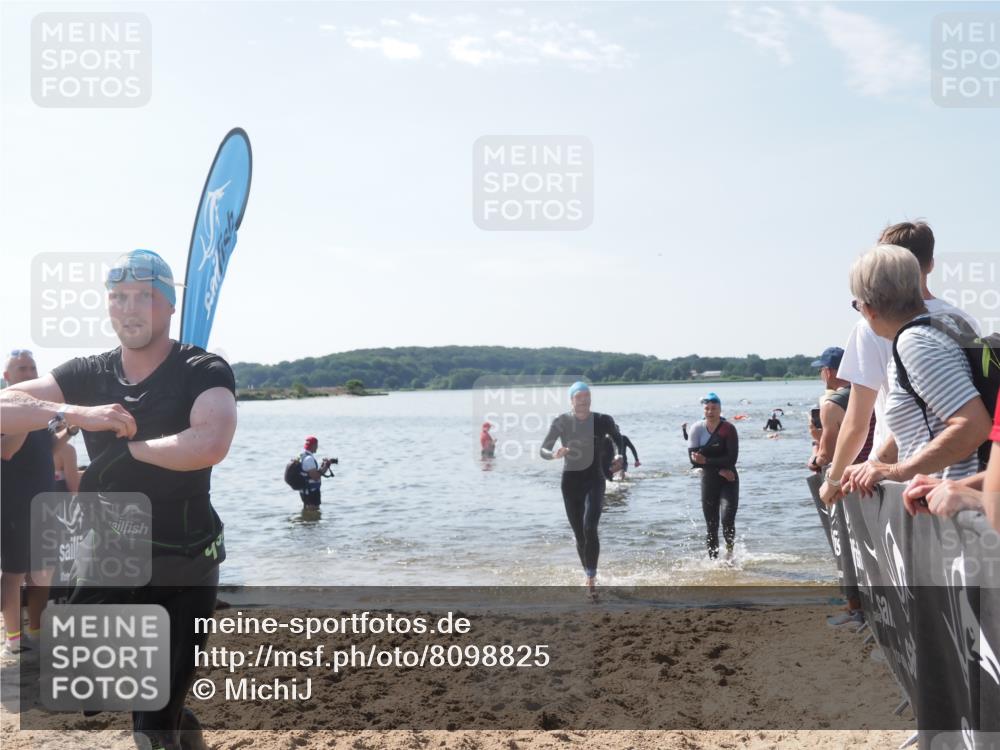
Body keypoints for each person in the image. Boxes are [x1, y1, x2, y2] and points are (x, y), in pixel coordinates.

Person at [0, 249, 238, 750]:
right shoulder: (90, 373)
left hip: (185, 561)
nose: (130, 308)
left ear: (169, 305)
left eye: (144, 296)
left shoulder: (202, 368)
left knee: (151, 725)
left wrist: (129, 452)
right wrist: (74, 412)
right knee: (126, 696)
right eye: (119, 297)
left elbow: (210, 442)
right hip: (113, 563)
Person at [821, 221, 980, 505]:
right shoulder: (950, 322)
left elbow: (973, 424)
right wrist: (875, 465)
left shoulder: (914, 343)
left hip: (946, 502)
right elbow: (922, 419)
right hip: (940, 495)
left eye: (857, 304)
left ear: (869, 308)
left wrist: (894, 471)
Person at [540, 382, 623, 596]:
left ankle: (591, 579)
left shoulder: (603, 420)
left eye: (587, 396)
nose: (584, 400)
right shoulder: (561, 422)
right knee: (579, 534)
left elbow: (619, 439)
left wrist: (619, 456)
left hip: (595, 480)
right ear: (571, 400)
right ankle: (588, 572)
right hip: (570, 483)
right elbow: (543, 449)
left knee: (589, 527)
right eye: (579, 397)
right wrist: (554, 454)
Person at [1, 349, 55, 660]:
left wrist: (70, 429)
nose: (30, 373)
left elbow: (49, 448)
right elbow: (7, 450)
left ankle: (36, 632)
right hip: (14, 505)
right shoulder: (5, 409)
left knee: (42, 572)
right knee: (14, 573)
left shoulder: (38, 410)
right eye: (22, 368)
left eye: (33, 368)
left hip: (43, 504)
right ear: (7, 376)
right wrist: (24, 413)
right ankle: (13, 640)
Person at [686, 392, 740, 560]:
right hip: (709, 480)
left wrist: (707, 461)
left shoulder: (728, 429)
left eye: (714, 408)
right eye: (707, 408)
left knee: (727, 519)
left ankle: (730, 553)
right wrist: (717, 467)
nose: (710, 412)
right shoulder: (696, 429)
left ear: (720, 410)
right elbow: (693, 460)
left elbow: (732, 459)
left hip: (729, 480)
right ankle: (713, 561)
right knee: (711, 525)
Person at [808, 346, 874, 473]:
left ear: (827, 372)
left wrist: (816, 444)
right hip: (877, 465)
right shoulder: (871, 391)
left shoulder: (831, 405)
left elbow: (826, 457)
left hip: (855, 474)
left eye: (820, 370)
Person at [299, 436, 334, 508]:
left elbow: (312, 473)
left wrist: (323, 465)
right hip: (311, 491)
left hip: (305, 491)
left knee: (308, 511)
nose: (317, 447)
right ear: (313, 445)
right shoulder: (309, 459)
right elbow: (315, 477)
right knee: (314, 511)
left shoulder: (302, 456)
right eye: (317, 445)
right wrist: (327, 465)